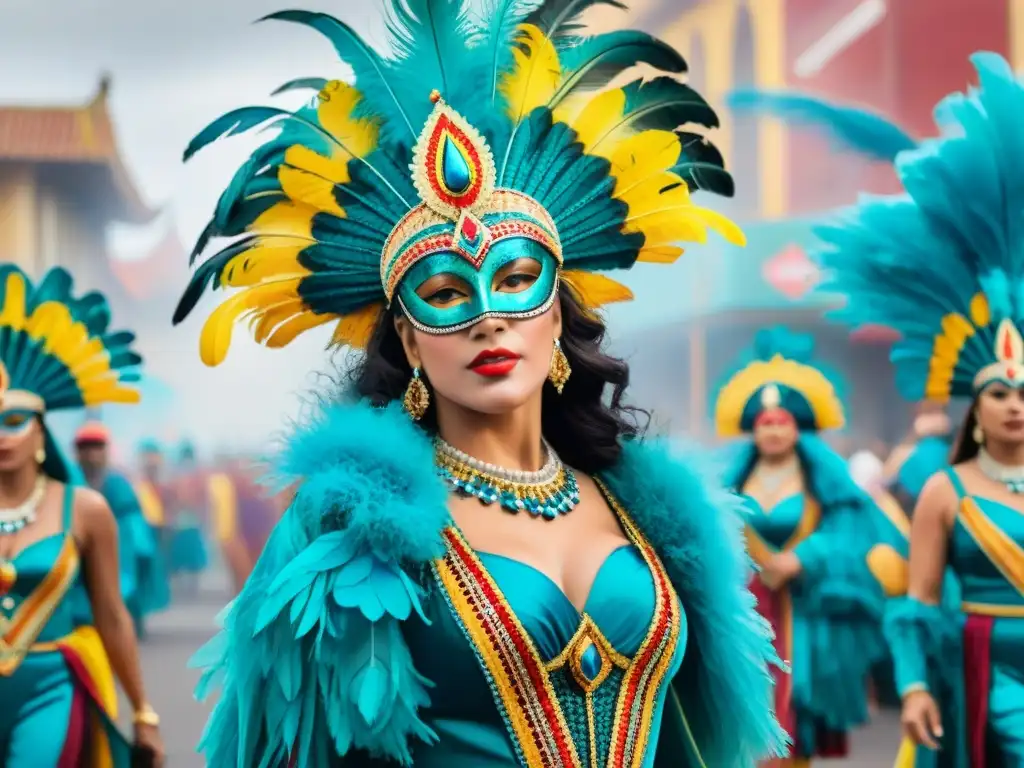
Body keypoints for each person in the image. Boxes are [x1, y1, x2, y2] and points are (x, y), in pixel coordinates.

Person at [175, 0, 788, 765]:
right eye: (443, 295)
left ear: (559, 316)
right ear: (407, 337)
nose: (488, 319)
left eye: (519, 279)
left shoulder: (650, 511)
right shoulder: (352, 526)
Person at [798, 51, 1024, 766]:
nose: (1014, 406)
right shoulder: (944, 490)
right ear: (974, 408)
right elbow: (918, 602)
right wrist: (917, 684)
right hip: (986, 678)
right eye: (998, 393)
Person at [715, 326, 905, 766]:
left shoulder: (823, 482)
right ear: (752, 430)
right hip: (746, 608)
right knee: (744, 705)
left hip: (804, 609)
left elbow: (850, 532)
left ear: (799, 428)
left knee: (794, 710)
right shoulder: (731, 481)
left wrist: (803, 558)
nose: (775, 432)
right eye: (766, 424)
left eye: (783, 423)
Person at [0, 265, 163, 765]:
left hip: (50, 688)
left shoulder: (86, 510)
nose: (3, 435)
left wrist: (142, 713)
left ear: (40, 431)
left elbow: (112, 616)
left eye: (14, 420)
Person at [74, 421, 170, 637]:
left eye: (96, 447)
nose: (91, 454)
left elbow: (132, 519)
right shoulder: (71, 480)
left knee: (125, 587)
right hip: (80, 543)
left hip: (119, 545)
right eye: (85, 447)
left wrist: (141, 548)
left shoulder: (117, 483)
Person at [167, 441, 209, 597]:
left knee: (191, 557)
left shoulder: (196, 475)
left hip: (190, 521)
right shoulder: (179, 475)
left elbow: (202, 498)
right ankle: (185, 587)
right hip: (182, 522)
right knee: (182, 556)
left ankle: (190, 587)